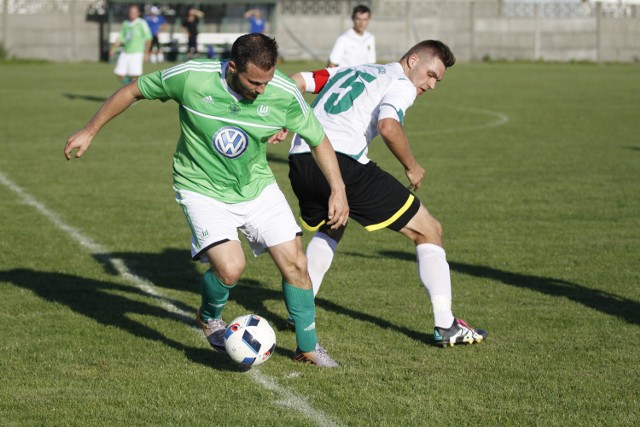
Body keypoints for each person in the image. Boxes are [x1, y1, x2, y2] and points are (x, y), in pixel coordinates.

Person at [64, 34, 349, 367]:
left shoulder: (282, 92)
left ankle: (307, 347)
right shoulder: (191, 76)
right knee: (230, 269)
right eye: (254, 82)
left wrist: (338, 188)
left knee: (296, 265)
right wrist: (90, 130)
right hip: (200, 187)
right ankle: (209, 315)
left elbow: (318, 138)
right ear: (232, 68)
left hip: (255, 186)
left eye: (266, 82)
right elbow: (132, 90)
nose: (261, 90)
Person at [287, 40, 488, 347]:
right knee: (429, 230)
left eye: (437, 80)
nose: (432, 85)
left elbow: (297, 81)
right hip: (340, 162)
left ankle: (300, 310)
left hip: (301, 159)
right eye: (431, 74)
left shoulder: (352, 69)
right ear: (413, 60)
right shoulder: (401, 82)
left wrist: (278, 117)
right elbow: (389, 125)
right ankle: (446, 324)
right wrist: (412, 166)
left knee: (334, 224)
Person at [109, 5, 152, 84]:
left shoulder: (141, 23)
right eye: (131, 12)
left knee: (134, 76)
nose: (132, 14)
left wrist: (146, 53)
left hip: (137, 52)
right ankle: (129, 88)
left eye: (134, 12)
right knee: (119, 74)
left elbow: (148, 38)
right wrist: (113, 48)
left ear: (138, 13)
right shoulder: (125, 24)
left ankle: (131, 92)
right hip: (126, 52)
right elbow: (120, 38)